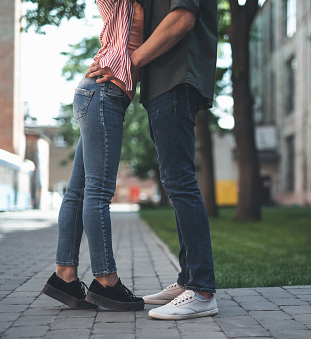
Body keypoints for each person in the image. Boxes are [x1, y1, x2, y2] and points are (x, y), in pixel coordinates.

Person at [88, 0, 218, 320]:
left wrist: (128, 61)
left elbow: (183, 18)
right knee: (175, 182)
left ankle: (201, 290)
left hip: (175, 77)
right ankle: (188, 279)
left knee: (180, 181)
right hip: (163, 81)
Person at [41, 0, 145, 312]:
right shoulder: (122, 4)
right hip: (104, 94)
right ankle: (106, 282)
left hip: (97, 94)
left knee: (78, 191)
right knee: (97, 192)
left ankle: (66, 276)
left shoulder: (135, 7)